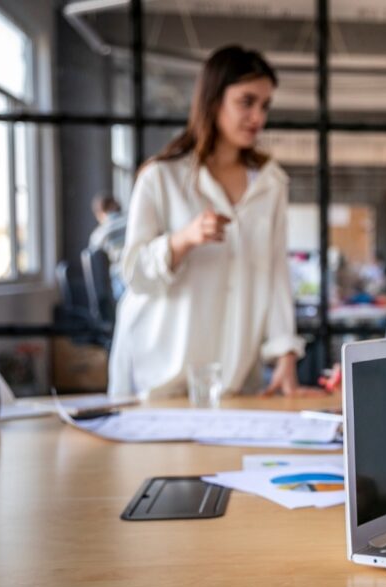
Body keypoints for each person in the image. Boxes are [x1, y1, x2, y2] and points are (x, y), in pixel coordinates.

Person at [108, 45, 307, 399]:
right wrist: (183, 239)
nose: (257, 117)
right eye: (246, 102)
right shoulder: (160, 177)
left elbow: (276, 272)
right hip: (159, 371)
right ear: (214, 100)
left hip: (230, 372)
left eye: (264, 105)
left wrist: (285, 354)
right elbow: (134, 273)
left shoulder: (271, 183)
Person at [87, 192, 127, 299]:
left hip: (120, 283)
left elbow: (93, 260)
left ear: (99, 213)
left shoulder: (99, 234)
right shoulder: (132, 221)